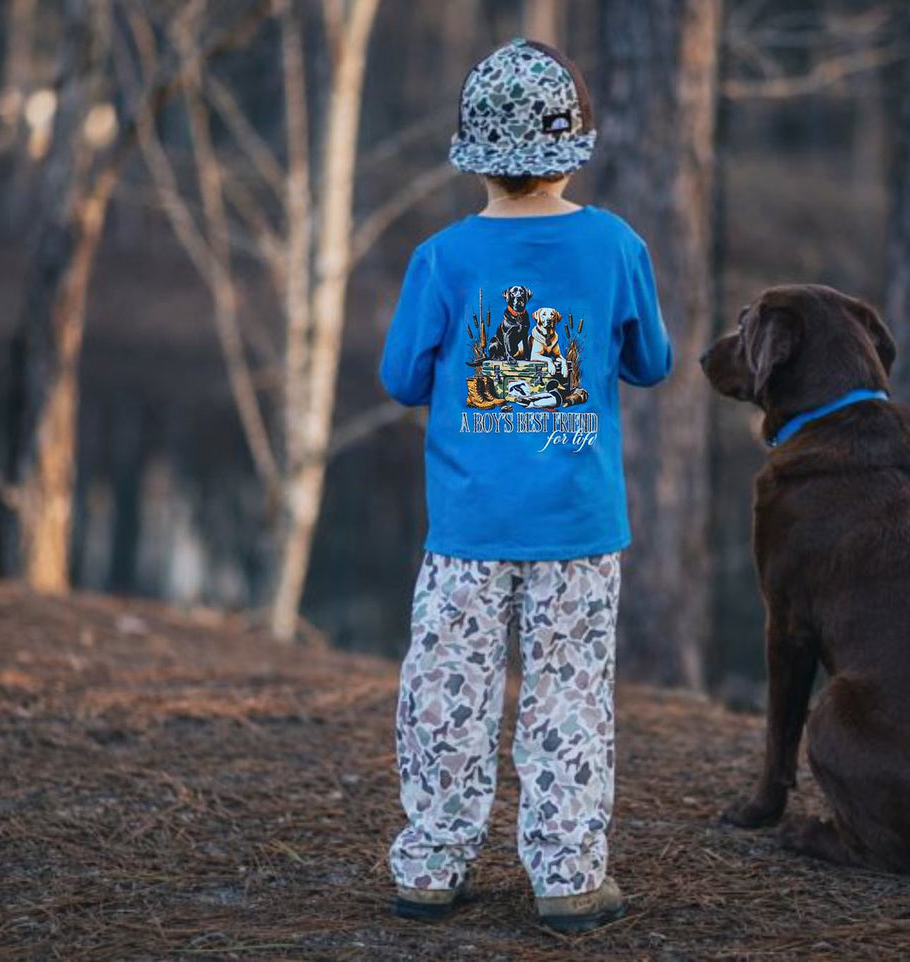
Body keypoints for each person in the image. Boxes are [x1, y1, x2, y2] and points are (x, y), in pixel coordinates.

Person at [378, 37, 672, 933]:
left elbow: (400, 377)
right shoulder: (616, 245)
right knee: (569, 696)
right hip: (578, 530)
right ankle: (568, 878)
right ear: (574, 142)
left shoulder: (441, 257)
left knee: (446, 690)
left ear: (475, 153)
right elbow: (651, 360)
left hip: (467, 526)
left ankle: (431, 862)